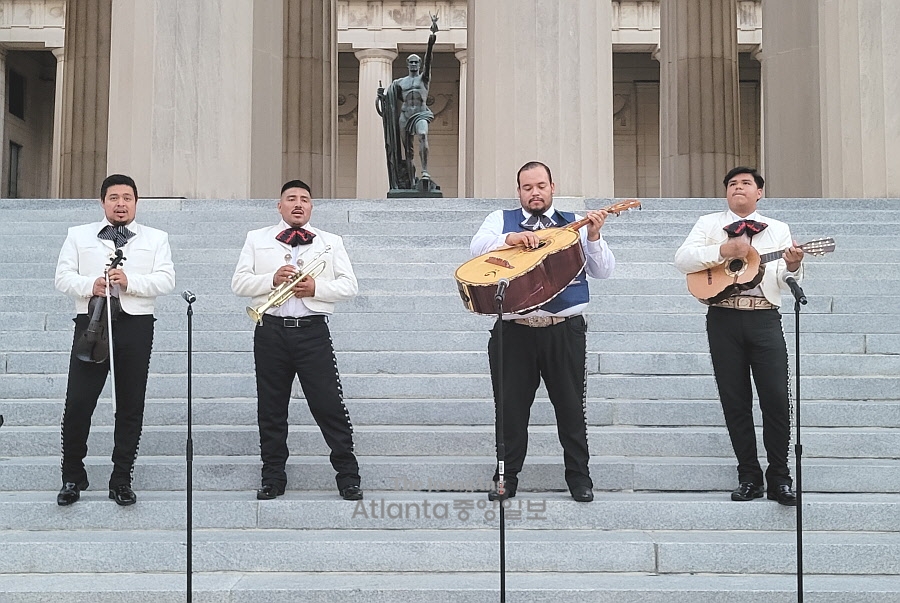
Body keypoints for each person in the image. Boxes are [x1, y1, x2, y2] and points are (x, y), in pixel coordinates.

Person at [470, 161, 615, 503]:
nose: (534, 193)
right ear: (518, 191)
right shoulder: (500, 220)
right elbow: (475, 248)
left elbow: (603, 270)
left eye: (540, 186)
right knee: (509, 409)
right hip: (514, 331)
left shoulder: (574, 224)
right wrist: (511, 238)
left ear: (553, 186)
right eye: (527, 187)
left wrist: (594, 236)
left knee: (570, 407)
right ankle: (506, 477)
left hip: (563, 329)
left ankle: (579, 478)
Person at [674, 166, 804, 506]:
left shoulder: (778, 229)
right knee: (735, 400)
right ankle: (748, 475)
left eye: (746, 183)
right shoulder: (708, 224)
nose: (738, 188)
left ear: (759, 192)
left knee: (776, 398)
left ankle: (780, 476)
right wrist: (722, 252)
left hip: (763, 317)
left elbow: (786, 273)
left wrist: (793, 265)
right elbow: (682, 259)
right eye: (732, 184)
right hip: (723, 317)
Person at [232, 179, 363, 501]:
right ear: (280, 206)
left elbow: (350, 286)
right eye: (291, 198)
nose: (298, 203)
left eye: (304, 199)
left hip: (312, 331)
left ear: (311, 207)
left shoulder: (330, 242)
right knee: (271, 408)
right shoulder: (256, 238)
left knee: (329, 404)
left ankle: (348, 475)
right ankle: (272, 476)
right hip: (271, 330)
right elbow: (238, 283)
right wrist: (270, 279)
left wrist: (316, 288)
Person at [54, 174, 176, 506]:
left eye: (127, 198)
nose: (120, 203)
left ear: (136, 202)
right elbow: (62, 277)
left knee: (129, 403)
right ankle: (72, 476)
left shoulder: (156, 238)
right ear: (102, 202)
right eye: (113, 198)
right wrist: (89, 285)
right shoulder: (78, 236)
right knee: (78, 402)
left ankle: (121, 478)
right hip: (92, 324)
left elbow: (166, 279)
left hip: (136, 326)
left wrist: (131, 281)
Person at [390, 16, 438, 181]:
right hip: (405, 116)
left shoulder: (423, 79)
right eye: (411, 62)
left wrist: (431, 42)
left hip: (420, 114)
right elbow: (390, 101)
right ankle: (411, 178)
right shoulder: (400, 82)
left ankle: (425, 170)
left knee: (423, 134)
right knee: (407, 151)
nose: (414, 65)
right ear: (407, 64)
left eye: (416, 62)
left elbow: (429, 60)